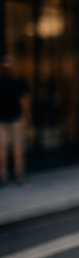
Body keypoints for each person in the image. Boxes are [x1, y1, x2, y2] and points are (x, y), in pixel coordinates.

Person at [0, 56, 30, 185]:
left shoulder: (18, 82)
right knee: (3, 148)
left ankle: (18, 173)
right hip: (3, 119)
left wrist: (25, 115)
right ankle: (4, 174)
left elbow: (24, 99)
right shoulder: (3, 82)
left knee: (17, 147)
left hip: (15, 118)